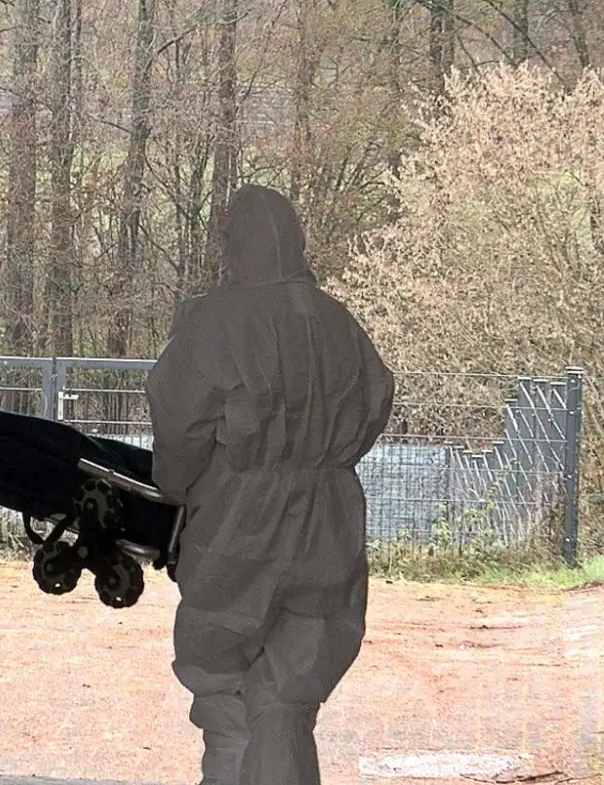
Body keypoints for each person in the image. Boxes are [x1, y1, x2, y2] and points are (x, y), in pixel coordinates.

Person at [144, 185, 395, 785]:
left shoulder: (215, 321)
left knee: (226, 696)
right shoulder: (340, 323)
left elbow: (179, 429)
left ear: (236, 246)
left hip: (239, 523)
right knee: (289, 699)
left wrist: (179, 494)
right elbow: (374, 403)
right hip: (329, 524)